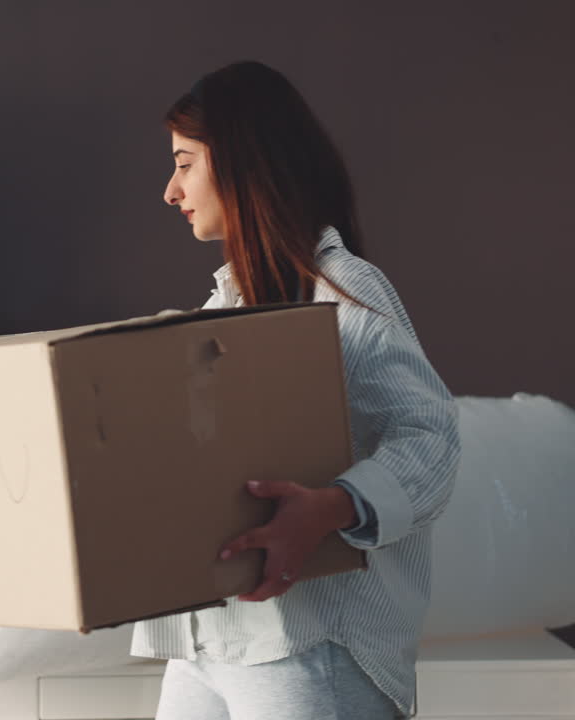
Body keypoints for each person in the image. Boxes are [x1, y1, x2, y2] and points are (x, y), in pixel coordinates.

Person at [133, 61, 461, 719]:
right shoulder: (225, 309)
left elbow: (433, 441)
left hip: (310, 644)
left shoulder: (343, 291)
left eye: (185, 163)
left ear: (241, 162)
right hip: (207, 641)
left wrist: (331, 508)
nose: (170, 191)